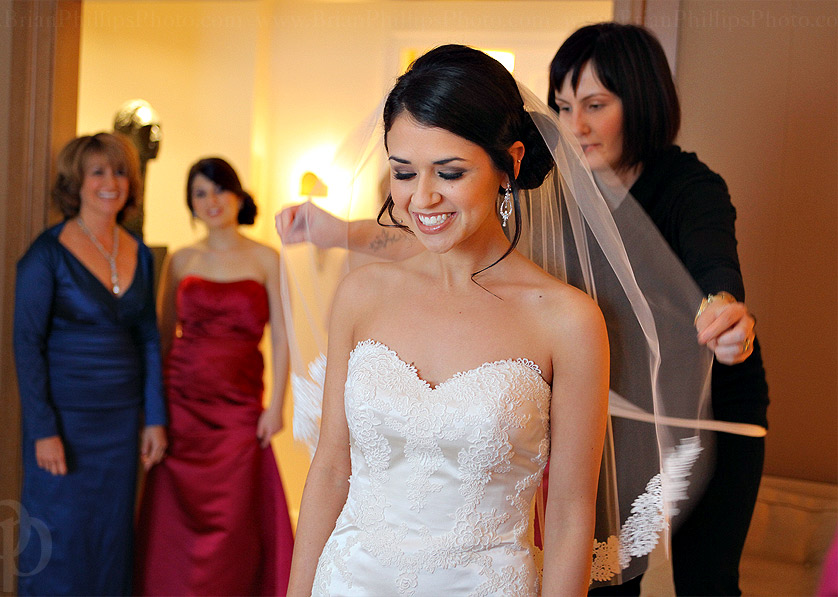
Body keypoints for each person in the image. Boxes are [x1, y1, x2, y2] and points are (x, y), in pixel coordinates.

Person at [285, 44, 613, 597]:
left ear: (508, 163)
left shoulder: (568, 321)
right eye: (405, 173)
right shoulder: (361, 295)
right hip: (348, 583)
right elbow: (330, 467)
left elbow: (570, 513)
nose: (423, 198)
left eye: (451, 172)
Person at [548, 23, 768, 596]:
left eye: (595, 104)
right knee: (606, 581)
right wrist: (340, 232)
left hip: (710, 412)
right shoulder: (561, 197)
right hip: (619, 414)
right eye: (564, 107)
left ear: (641, 101)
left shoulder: (691, 187)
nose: (577, 127)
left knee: (707, 582)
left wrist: (724, 321)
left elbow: (714, 268)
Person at [13, 132, 167, 595]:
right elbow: (26, 344)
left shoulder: (139, 252)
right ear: (75, 183)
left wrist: (154, 419)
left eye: (120, 172)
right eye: (97, 171)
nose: (110, 182)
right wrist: (43, 429)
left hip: (120, 427)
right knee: (57, 539)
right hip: (63, 426)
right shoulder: (47, 253)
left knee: (110, 542)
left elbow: (148, 339)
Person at [134, 157, 294, 596]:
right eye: (200, 193)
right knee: (173, 520)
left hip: (240, 407)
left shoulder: (266, 258)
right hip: (181, 404)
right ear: (191, 204)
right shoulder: (182, 261)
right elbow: (162, 338)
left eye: (219, 189)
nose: (211, 201)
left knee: (235, 517)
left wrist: (275, 407)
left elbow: (282, 339)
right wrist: (155, 412)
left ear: (238, 195)